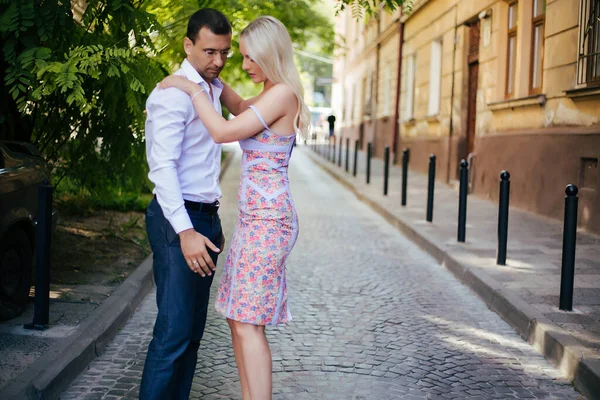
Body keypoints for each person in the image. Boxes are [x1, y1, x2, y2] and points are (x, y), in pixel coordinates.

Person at [159, 15, 310, 400]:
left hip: (269, 222)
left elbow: (224, 131)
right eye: (236, 56)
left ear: (271, 55)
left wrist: (191, 88)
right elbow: (239, 105)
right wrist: (207, 77)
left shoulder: (284, 94)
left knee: (248, 322)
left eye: (248, 58)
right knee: (236, 316)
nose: (242, 65)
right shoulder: (269, 93)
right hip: (253, 220)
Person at [140, 9, 232, 400]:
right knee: (174, 331)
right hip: (178, 220)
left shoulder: (210, 87)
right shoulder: (171, 94)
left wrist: (211, 222)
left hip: (204, 218)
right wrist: (186, 231)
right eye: (210, 52)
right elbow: (162, 170)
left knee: (193, 333)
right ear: (188, 45)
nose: (219, 61)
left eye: (225, 52)